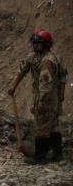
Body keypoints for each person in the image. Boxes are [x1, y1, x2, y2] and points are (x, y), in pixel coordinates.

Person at [8, 29, 67, 164]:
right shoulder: (33, 57)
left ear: (46, 44)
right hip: (46, 95)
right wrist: (13, 87)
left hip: (47, 97)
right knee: (52, 126)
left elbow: (46, 87)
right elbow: (22, 70)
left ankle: (40, 156)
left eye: (38, 43)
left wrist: (39, 104)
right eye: (33, 43)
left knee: (42, 126)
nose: (35, 46)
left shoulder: (48, 61)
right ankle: (57, 154)